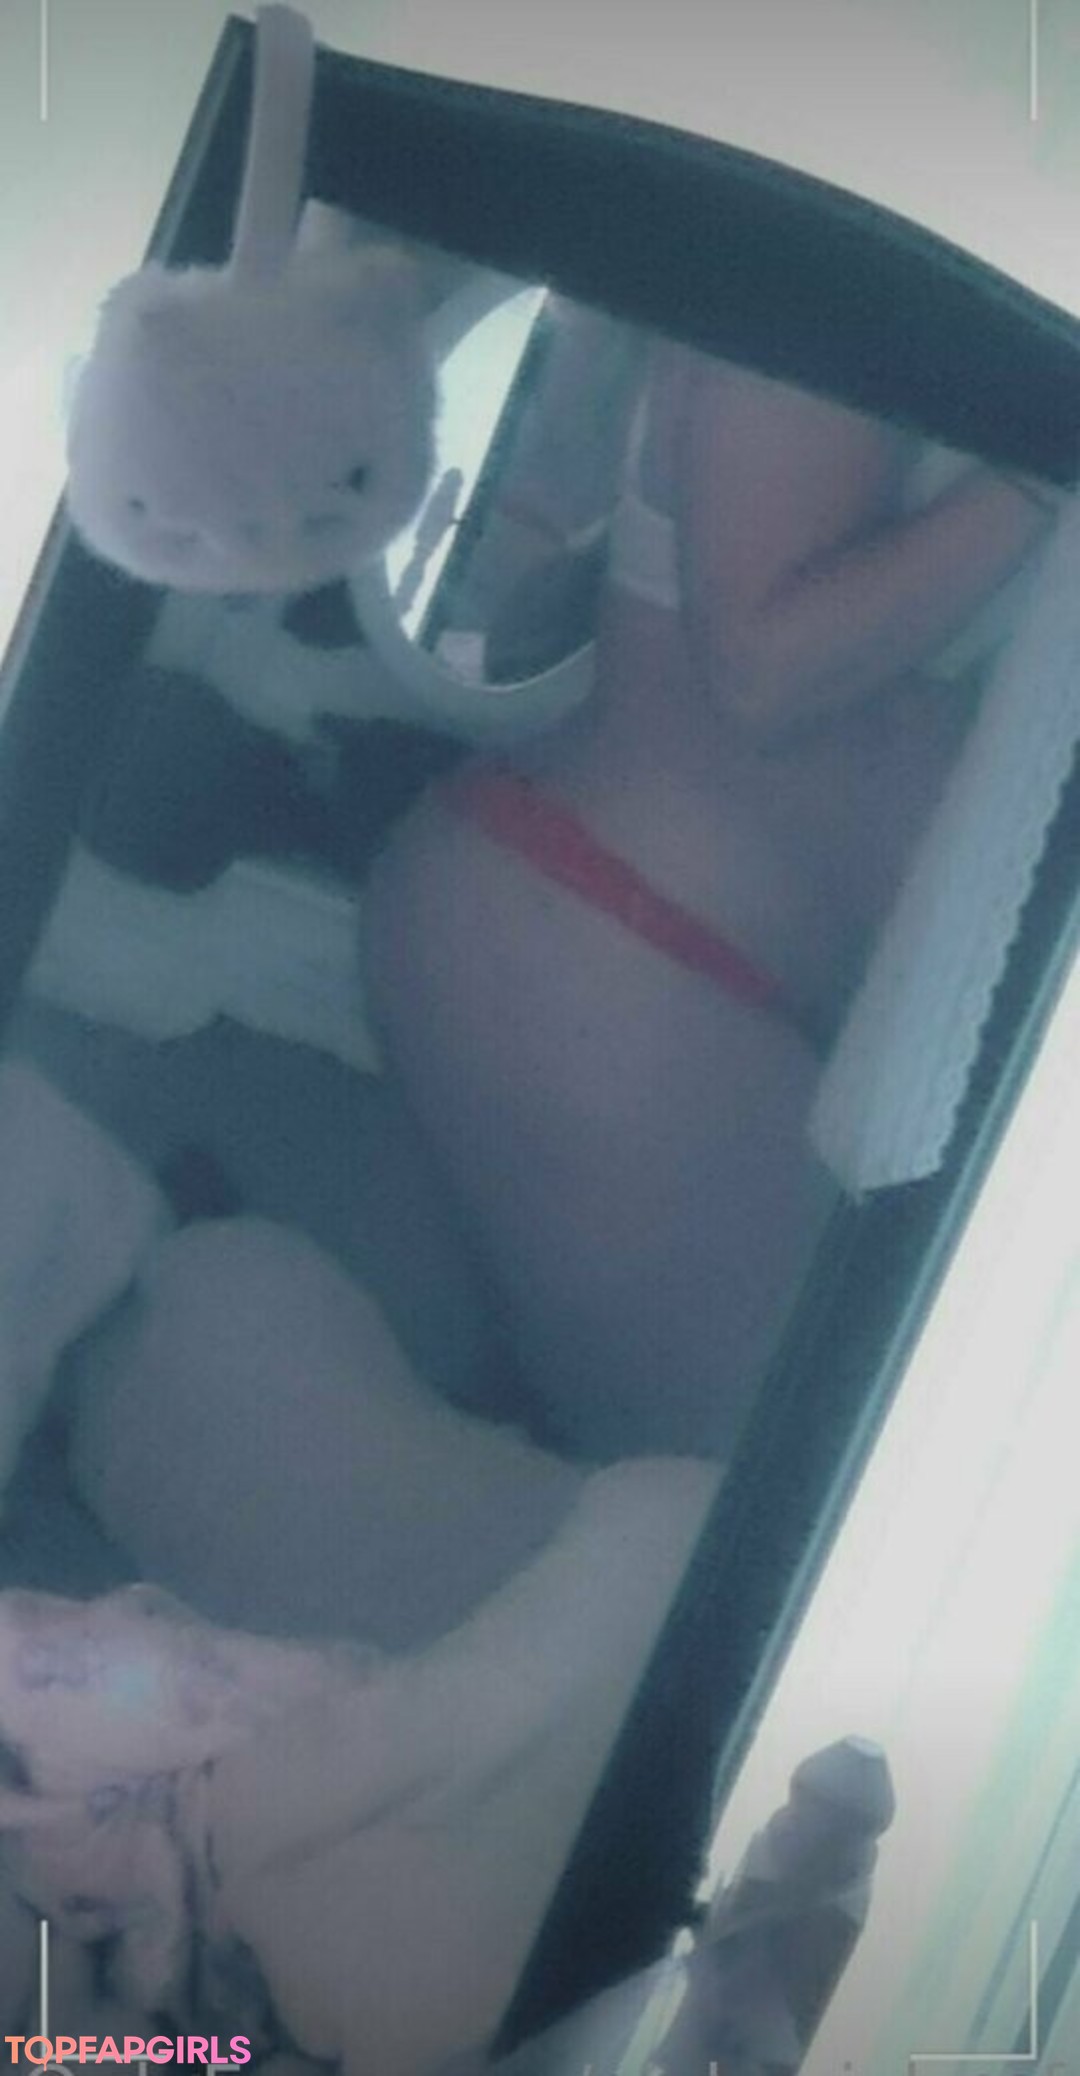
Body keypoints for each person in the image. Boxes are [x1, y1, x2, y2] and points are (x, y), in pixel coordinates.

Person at [363, 336, 1065, 1461]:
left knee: (820, 1465)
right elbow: (763, 670)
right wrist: (1041, 473)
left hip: (643, 937)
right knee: (803, 1476)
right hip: (612, 951)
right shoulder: (832, 307)